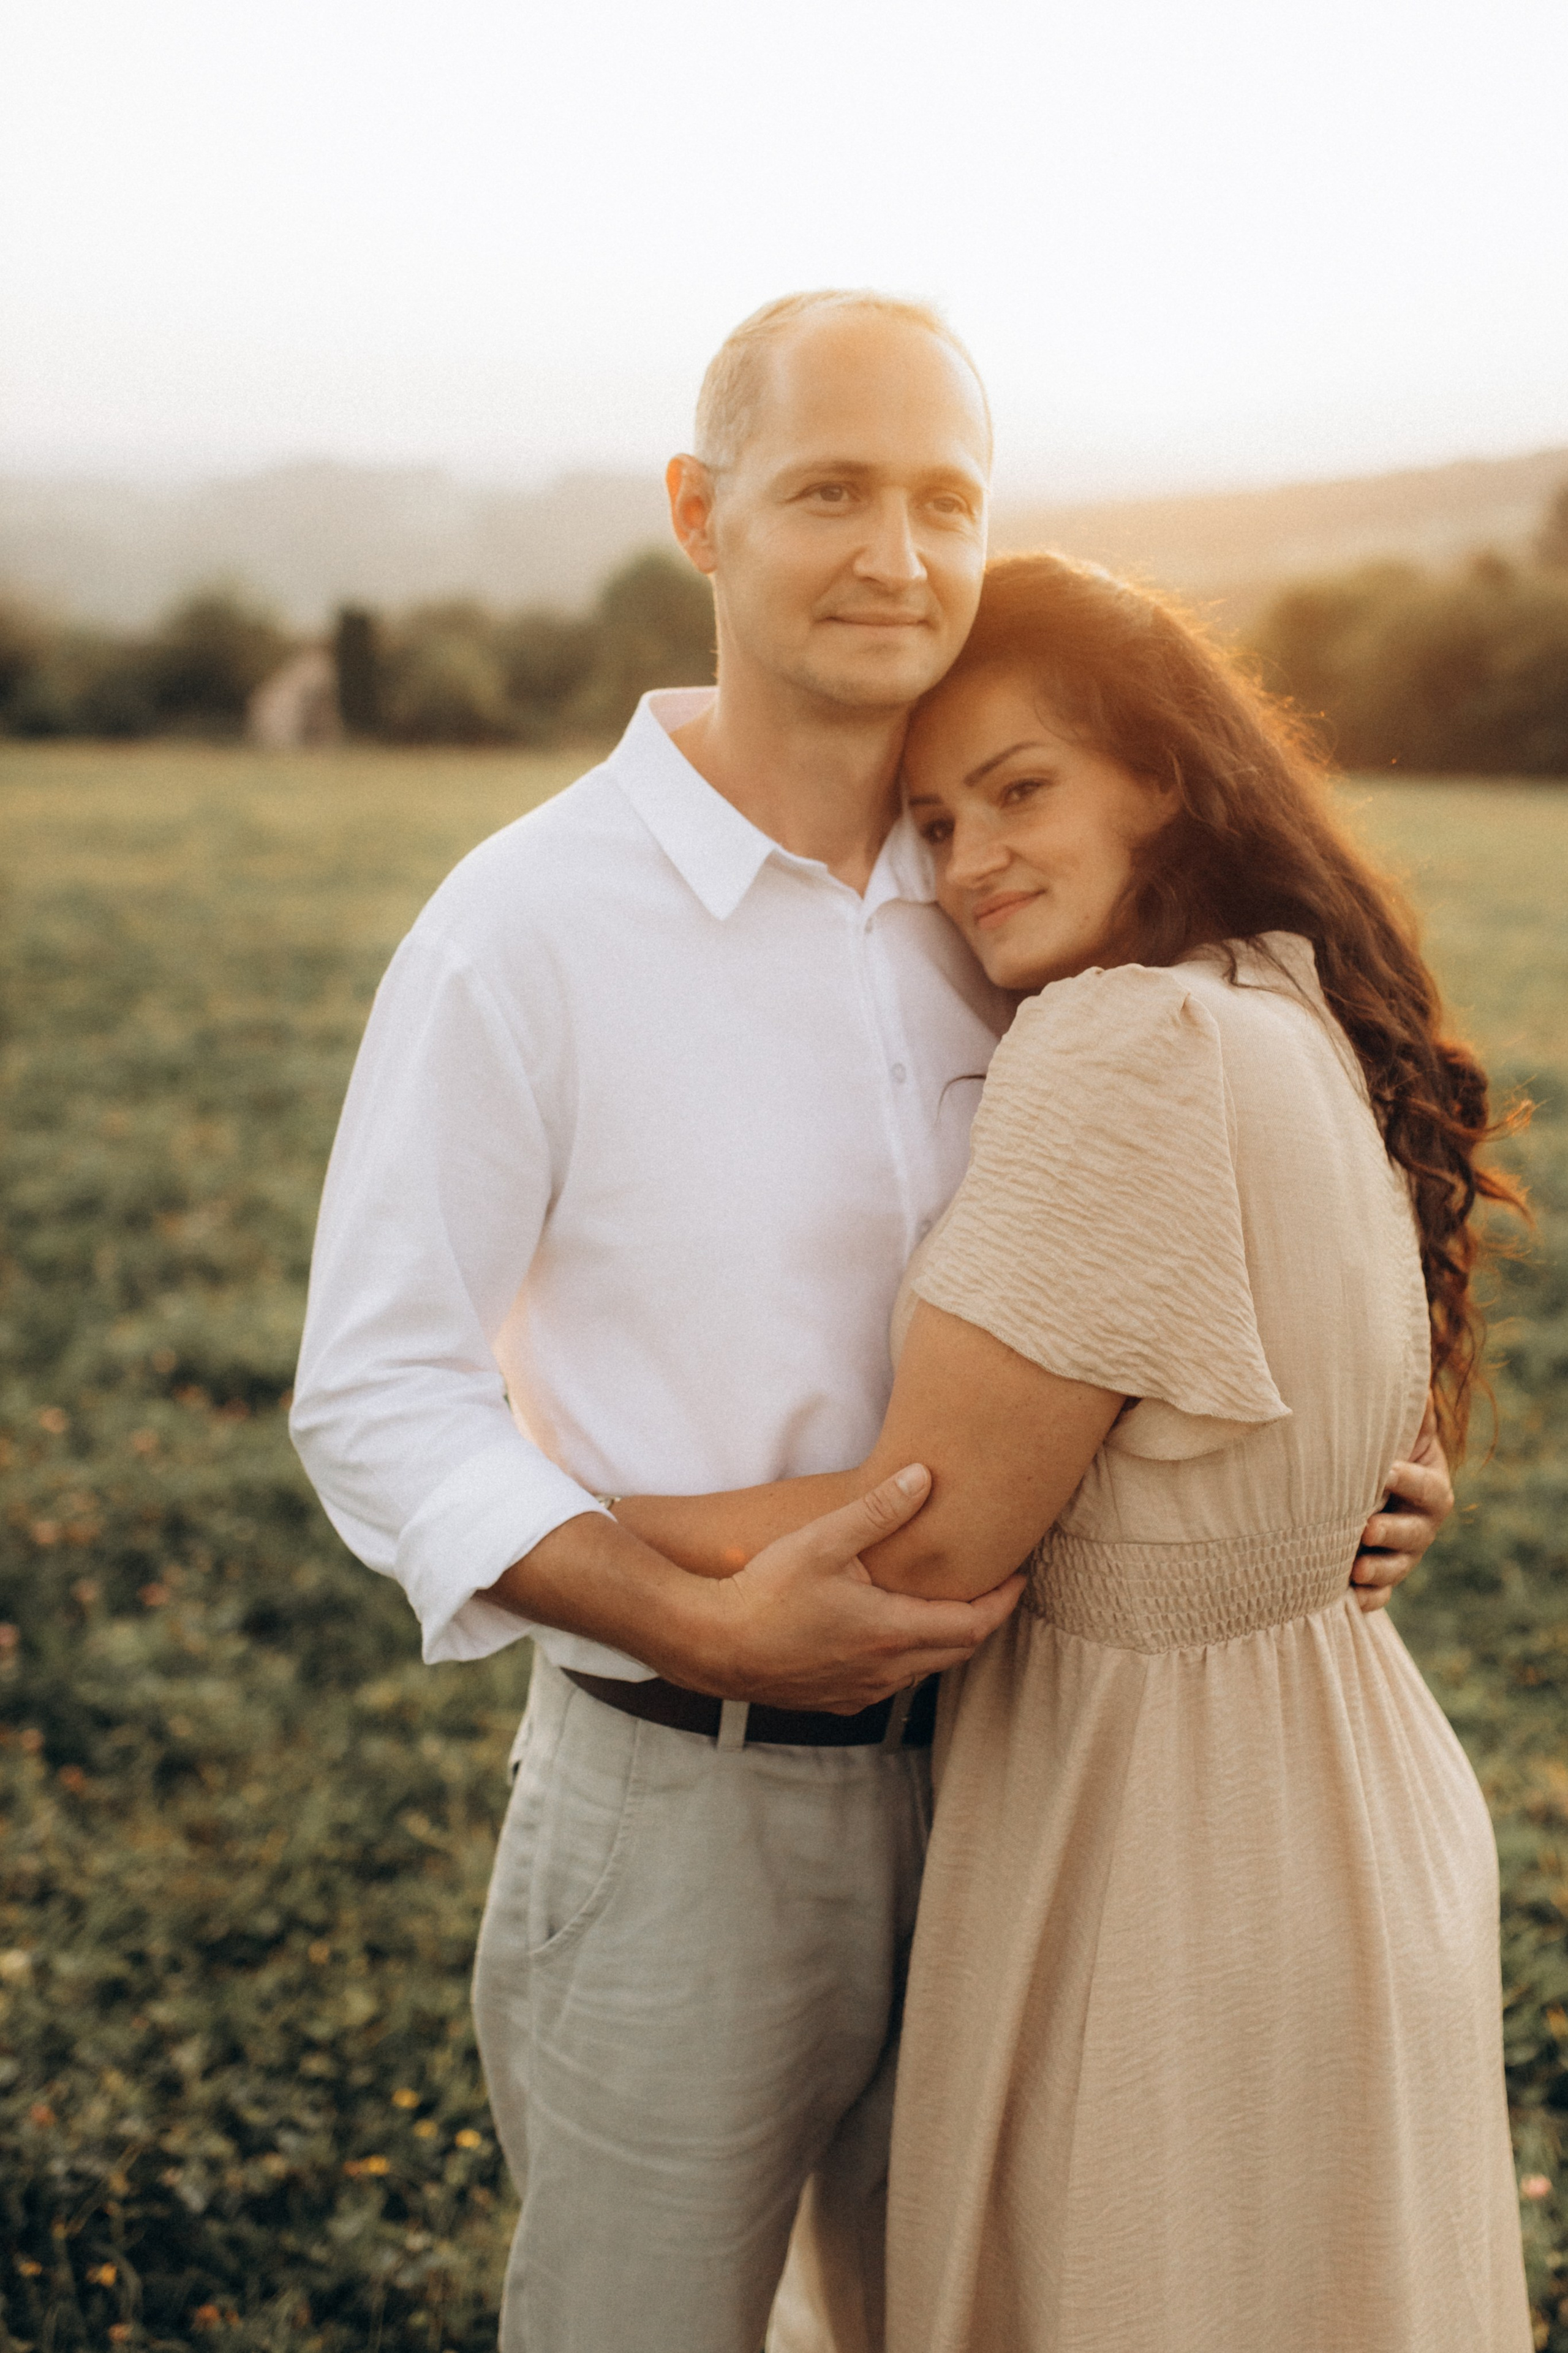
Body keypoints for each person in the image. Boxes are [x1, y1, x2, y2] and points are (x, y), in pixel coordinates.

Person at [289, 295, 1453, 2353]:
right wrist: (679, 1607)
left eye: (945, 499)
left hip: (1045, 1787)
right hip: (691, 1807)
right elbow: (377, 1389)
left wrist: (1315, 1480)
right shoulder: (527, 928)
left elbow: (1173, 1272)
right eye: (830, 489)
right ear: (701, 512)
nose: (897, 554)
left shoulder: (1013, 904)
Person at [617, 554, 1531, 2351]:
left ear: (1166, 775)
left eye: (1023, 790)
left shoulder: (1127, 1044)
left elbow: (923, 1546)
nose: (971, 868)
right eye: (939, 822)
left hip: (1170, 1874)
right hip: (1355, 1826)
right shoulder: (1287, 998)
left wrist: (531, 1494)